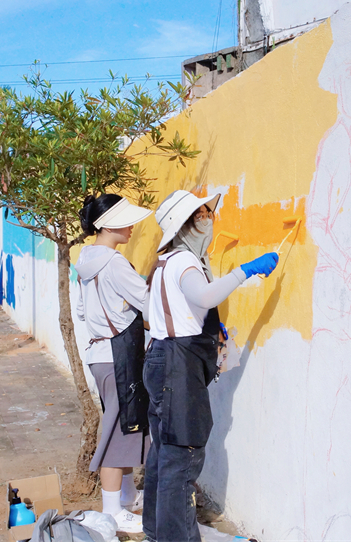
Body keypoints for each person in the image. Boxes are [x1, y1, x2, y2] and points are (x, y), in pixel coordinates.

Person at [142, 190, 279, 542]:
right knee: (182, 458)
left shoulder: (165, 263)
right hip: (177, 367)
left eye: (207, 211)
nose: (208, 218)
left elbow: (173, 308)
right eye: (200, 214)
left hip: (162, 359)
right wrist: (245, 271)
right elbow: (203, 296)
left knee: (165, 454)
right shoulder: (185, 262)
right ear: (184, 226)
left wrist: (203, 322)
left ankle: (157, 533)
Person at [75, 194, 154, 535]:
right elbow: (149, 301)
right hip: (118, 355)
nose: (133, 226)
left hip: (99, 355)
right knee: (117, 434)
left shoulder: (86, 260)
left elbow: (81, 312)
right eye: (127, 220)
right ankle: (112, 512)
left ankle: (126, 497)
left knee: (124, 426)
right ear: (107, 225)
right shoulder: (114, 262)